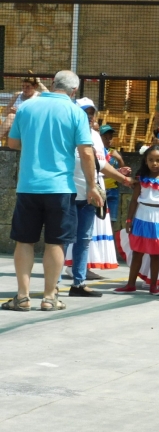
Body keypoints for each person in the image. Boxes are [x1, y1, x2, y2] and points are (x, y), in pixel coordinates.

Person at [2, 70, 102, 312]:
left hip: (29, 186)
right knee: (55, 243)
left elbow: (12, 143)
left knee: (24, 241)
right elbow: (86, 152)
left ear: (52, 84)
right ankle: (49, 297)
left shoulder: (27, 107)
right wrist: (92, 186)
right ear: (74, 91)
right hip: (60, 188)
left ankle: (23, 296)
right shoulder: (75, 112)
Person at [64, 99, 132, 297]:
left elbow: (101, 165)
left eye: (91, 112)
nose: (89, 116)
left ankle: (79, 283)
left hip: (89, 196)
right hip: (67, 194)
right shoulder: (66, 132)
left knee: (83, 240)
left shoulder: (94, 135)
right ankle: (54, 284)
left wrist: (124, 179)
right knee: (64, 240)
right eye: (85, 112)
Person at [114, 146, 159, 296]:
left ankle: (153, 286)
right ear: (146, 161)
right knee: (137, 252)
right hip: (142, 216)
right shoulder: (141, 179)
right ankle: (130, 284)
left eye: (158, 160)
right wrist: (129, 219)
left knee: (155, 254)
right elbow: (134, 201)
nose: (154, 163)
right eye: (150, 160)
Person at [0, 75, 47, 142]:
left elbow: (49, 95)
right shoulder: (17, 95)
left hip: (29, 122)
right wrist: (9, 111)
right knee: (11, 117)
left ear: (35, 86)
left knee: (11, 118)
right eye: (23, 86)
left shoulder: (38, 96)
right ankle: (9, 150)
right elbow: (4, 114)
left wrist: (39, 82)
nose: (24, 89)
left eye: (28, 87)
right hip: (14, 123)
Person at [99, 125, 125, 229]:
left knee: (111, 221)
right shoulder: (97, 152)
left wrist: (119, 159)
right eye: (105, 137)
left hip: (113, 190)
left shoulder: (113, 152)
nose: (109, 140)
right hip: (100, 189)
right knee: (99, 221)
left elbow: (123, 172)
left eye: (110, 137)